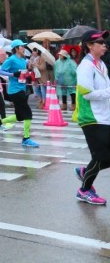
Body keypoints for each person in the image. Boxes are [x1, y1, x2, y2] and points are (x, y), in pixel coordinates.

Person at [73, 29, 110, 205]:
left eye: (104, 42)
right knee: (99, 157)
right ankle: (84, 190)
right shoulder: (85, 67)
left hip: (104, 117)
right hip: (91, 118)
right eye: (100, 42)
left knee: (104, 157)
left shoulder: (101, 64)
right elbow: (87, 93)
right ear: (89, 45)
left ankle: (85, 172)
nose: (104, 45)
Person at [0, 39, 39, 148]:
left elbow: (23, 72)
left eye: (24, 46)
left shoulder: (23, 60)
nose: (24, 48)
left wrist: (27, 72)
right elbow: (0, 71)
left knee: (19, 116)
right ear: (16, 48)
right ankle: (26, 139)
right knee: (28, 114)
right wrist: (13, 74)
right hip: (15, 91)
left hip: (22, 89)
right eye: (22, 46)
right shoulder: (11, 59)